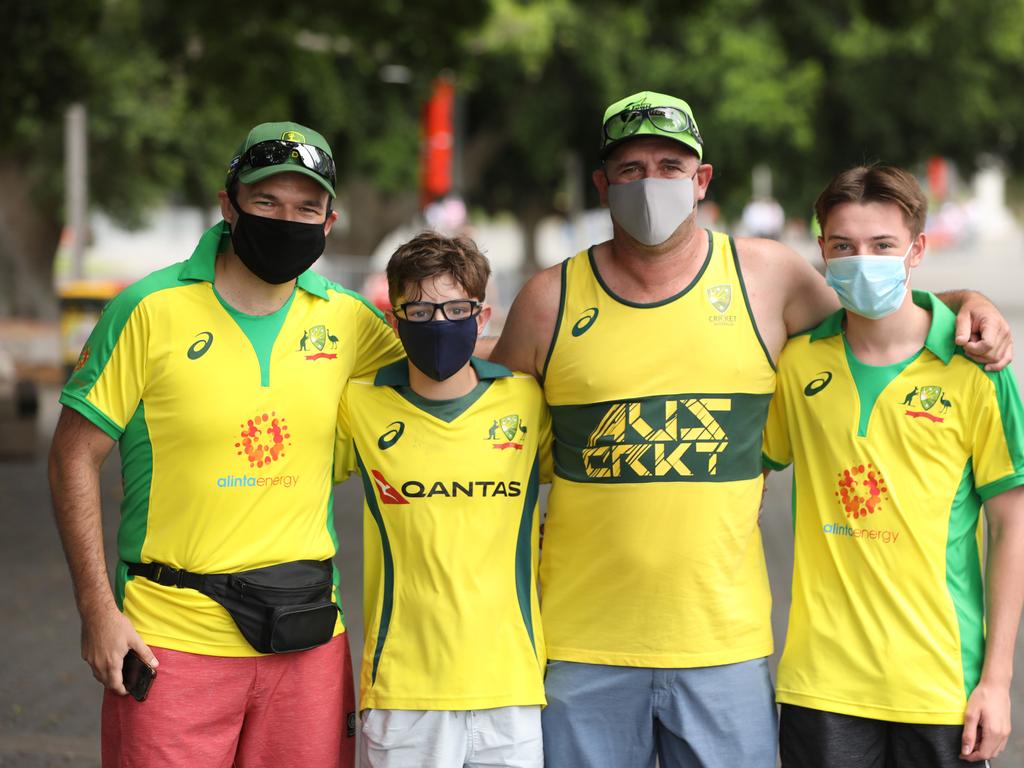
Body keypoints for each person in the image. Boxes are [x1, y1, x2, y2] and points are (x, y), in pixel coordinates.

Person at [489, 90, 1014, 768]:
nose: (651, 184)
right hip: (579, 646)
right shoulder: (549, 299)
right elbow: (485, 446)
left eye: (671, 166)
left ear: (702, 179)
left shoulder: (767, 276)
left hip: (725, 646)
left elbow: (874, 311)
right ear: (602, 183)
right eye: (630, 169)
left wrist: (966, 301)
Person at [49, 121, 403, 768]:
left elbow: (445, 383)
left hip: (308, 641)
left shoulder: (351, 322)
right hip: (170, 639)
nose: (286, 218)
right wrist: (97, 611)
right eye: (266, 201)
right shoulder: (149, 310)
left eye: (306, 207)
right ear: (228, 202)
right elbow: (74, 454)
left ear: (330, 221)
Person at [763, 164, 1024, 768]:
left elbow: (1012, 525)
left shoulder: (976, 372)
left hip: (939, 687)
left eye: (882, 245)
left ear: (917, 249)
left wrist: (997, 681)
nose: (863, 260)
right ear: (822, 251)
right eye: (843, 246)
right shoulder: (797, 365)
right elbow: (750, 480)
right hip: (821, 684)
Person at [335, 231, 550, 767]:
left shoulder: (527, 401)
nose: (438, 323)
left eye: (456, 308)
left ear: (482, 317)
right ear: (395, 319)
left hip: (513, 689)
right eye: (420, 310)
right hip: (405, 694)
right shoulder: (358, 406)